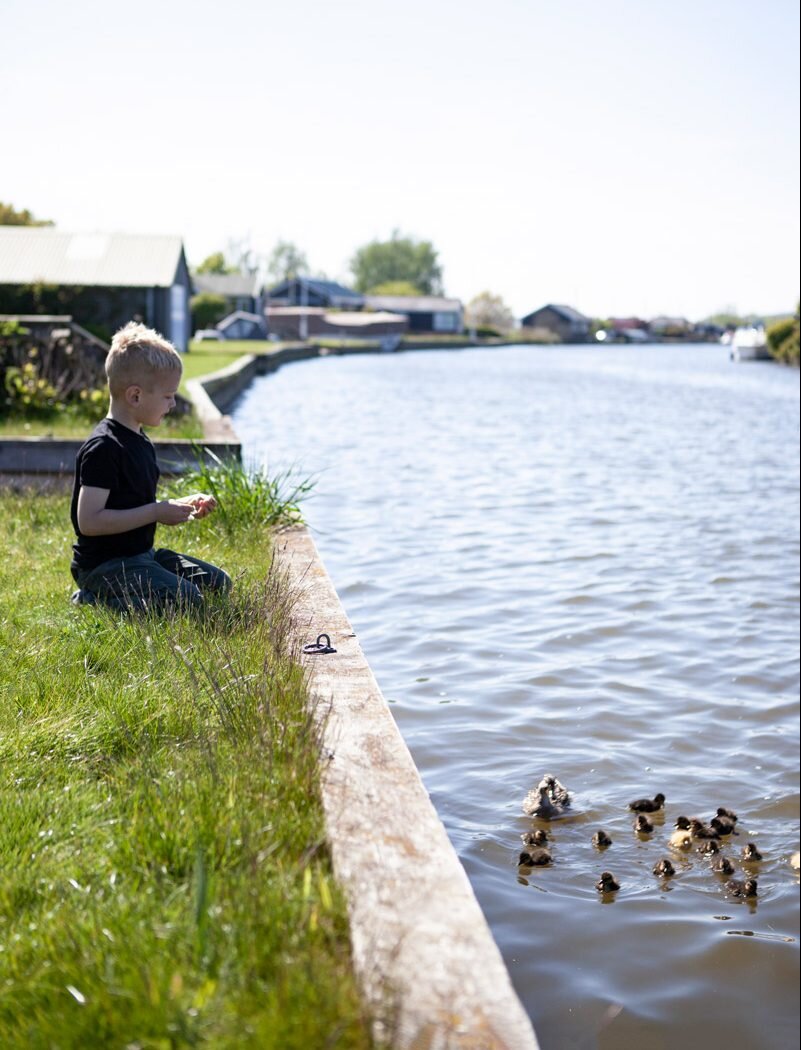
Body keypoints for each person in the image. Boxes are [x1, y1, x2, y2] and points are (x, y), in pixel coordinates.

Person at [69, 321, 231, 611]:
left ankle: (117, 595)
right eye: (168, 396)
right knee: (188, 599)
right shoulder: (104, 448)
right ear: (135, 396)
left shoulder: (139, 440)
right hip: (105, 566)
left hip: (141, 556)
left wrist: (181, 505)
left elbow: (133, 504)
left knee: (219, 584)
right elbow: (89, 522)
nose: (171, 405)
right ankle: (93, 599)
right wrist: (156, 511)